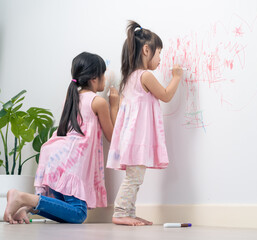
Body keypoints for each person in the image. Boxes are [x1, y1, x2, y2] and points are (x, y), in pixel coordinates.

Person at [3, 52, 119, 224]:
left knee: (63, 207)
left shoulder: (72, 97)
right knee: (79, 214)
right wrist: (115, 105)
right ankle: (22, 197)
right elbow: (112, 136)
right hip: (73, 162)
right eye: (103, 73)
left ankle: (26, 208)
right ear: (94, 78)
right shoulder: (98, 102)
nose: (105, 77)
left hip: (57, 156)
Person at [107, 20, 184, 226]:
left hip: (131, 138)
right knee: (134, 178)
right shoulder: (145, 76)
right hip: (137, 139)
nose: (160, 59)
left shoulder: (130, 77)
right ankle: (121, 212)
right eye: (159, 53)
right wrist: (177, 77)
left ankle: (128, 213)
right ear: (147, 50)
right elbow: (166, 95)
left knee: (135, 177)